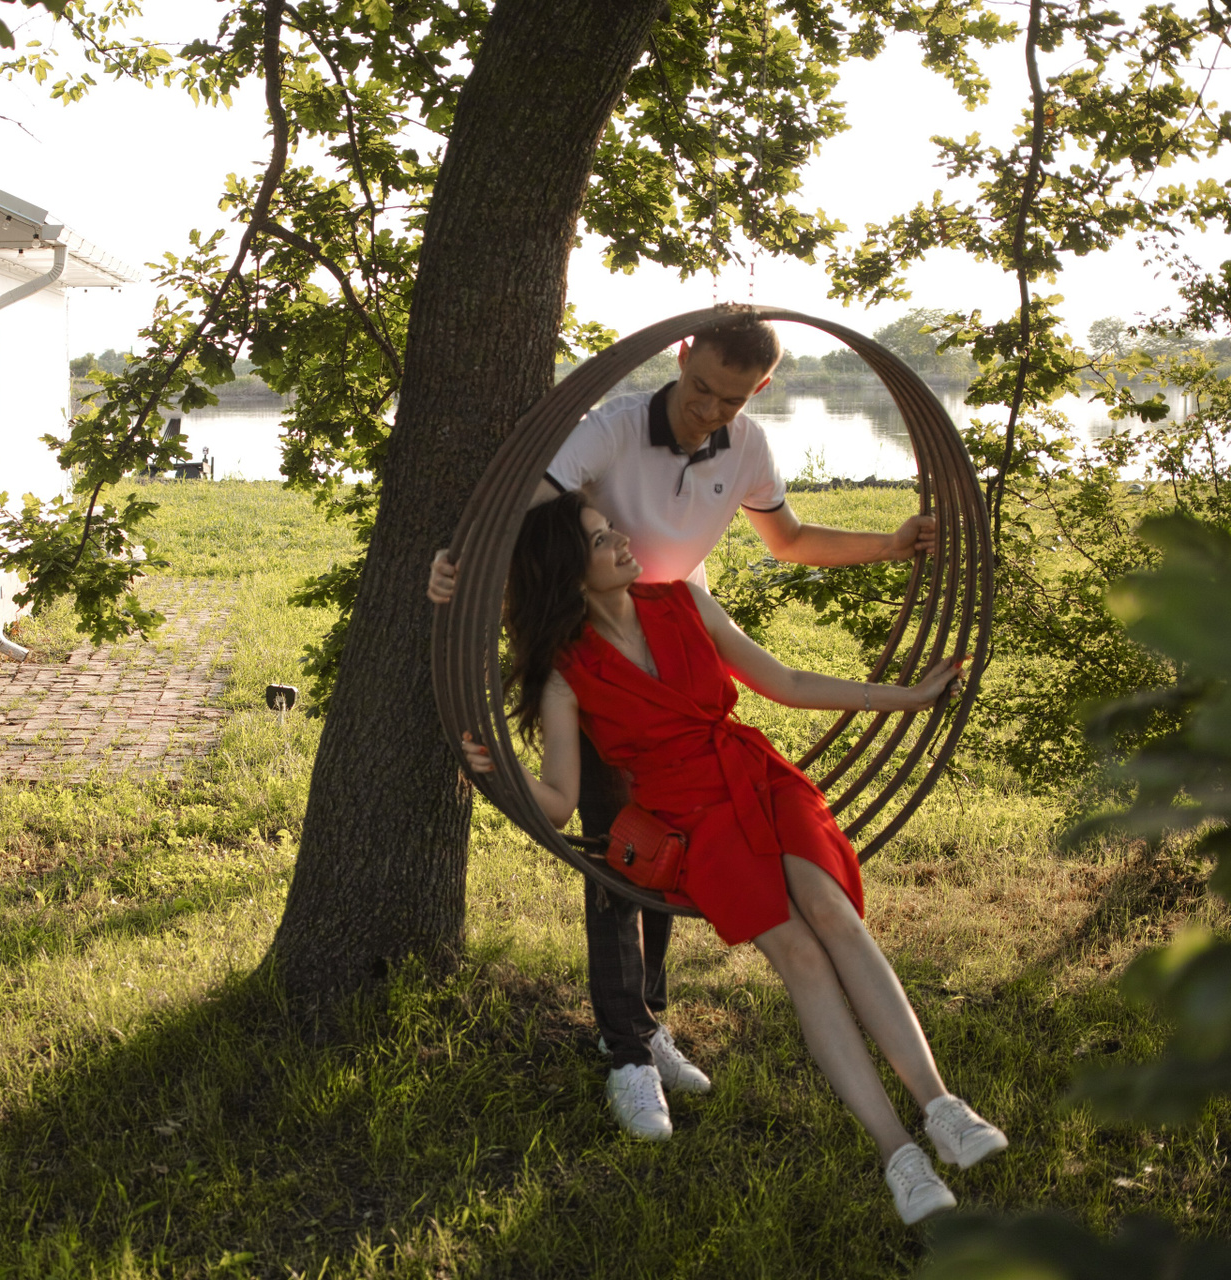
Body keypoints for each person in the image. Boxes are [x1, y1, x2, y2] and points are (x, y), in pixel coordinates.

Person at [427, 307, 938, 1140]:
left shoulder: (748, 448)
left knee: (671, 855)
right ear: (682, 355)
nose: (708, 409)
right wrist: (455, 560)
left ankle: (649, 1019)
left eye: (730, 399)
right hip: (598, 653)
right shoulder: (614, 430)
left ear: (759, 390)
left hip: (676, 642)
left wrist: (890, 544)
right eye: (700, 388)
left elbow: (788, 540)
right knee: (617, 859)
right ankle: (626, 1050)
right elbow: (526, 510)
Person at [462, 493, 1006, 1224]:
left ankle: (942, 1109)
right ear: (568, 570)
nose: (622, 540)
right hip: (692, 820)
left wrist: (905, 697)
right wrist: (499, 770)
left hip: (761, 779)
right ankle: (897, 1155)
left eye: (613, 528)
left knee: (832, 913)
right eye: (599, 540)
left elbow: (787, 684)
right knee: (799, 956)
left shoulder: (684, 602)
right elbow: (558, 802)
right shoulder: (567, 671)